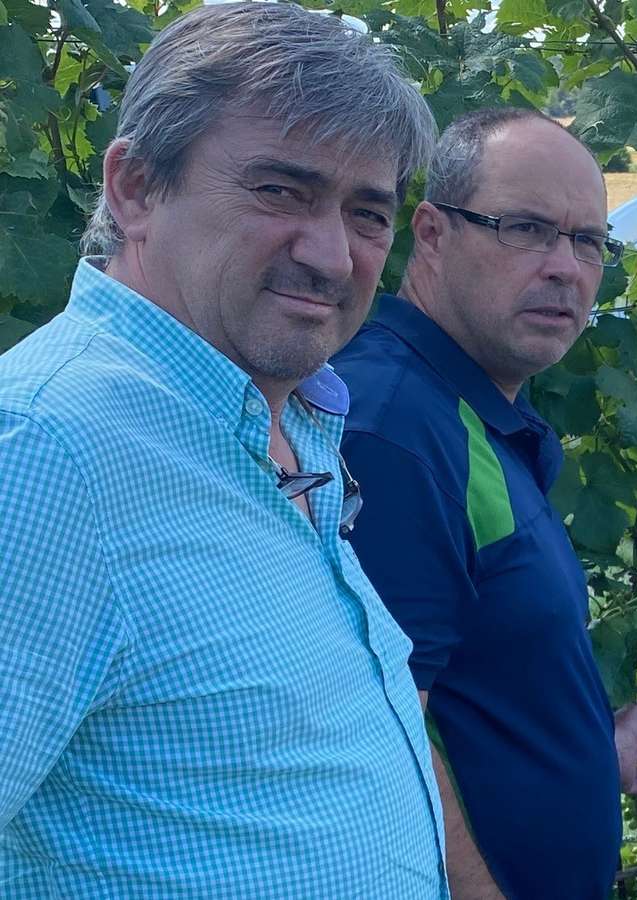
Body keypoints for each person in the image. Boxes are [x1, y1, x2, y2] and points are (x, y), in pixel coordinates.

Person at [0, 3, 447, 896]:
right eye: (281, 191)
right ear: (134, 188)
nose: (331, 256)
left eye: (368, 213)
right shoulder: (46, 451)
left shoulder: (288, 423)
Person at [331, 107, 637, 900]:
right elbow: (383, 733)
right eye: (526, 229)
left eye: (589, 243)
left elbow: (479, 672)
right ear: (434, 234)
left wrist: (589, 742)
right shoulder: (395, 428)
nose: (566, 268)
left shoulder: (465, 408)